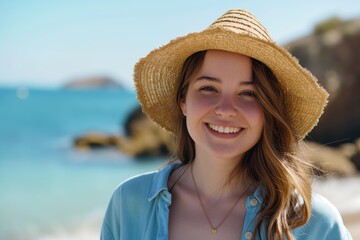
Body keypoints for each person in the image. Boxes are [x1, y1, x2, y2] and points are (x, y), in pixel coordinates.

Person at [101, 9, 352, 240]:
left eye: (248, 93)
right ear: (183, 101)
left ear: (268, 110)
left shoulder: (314, 222)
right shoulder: (128, 204)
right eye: (208, 88)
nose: (225, 109)